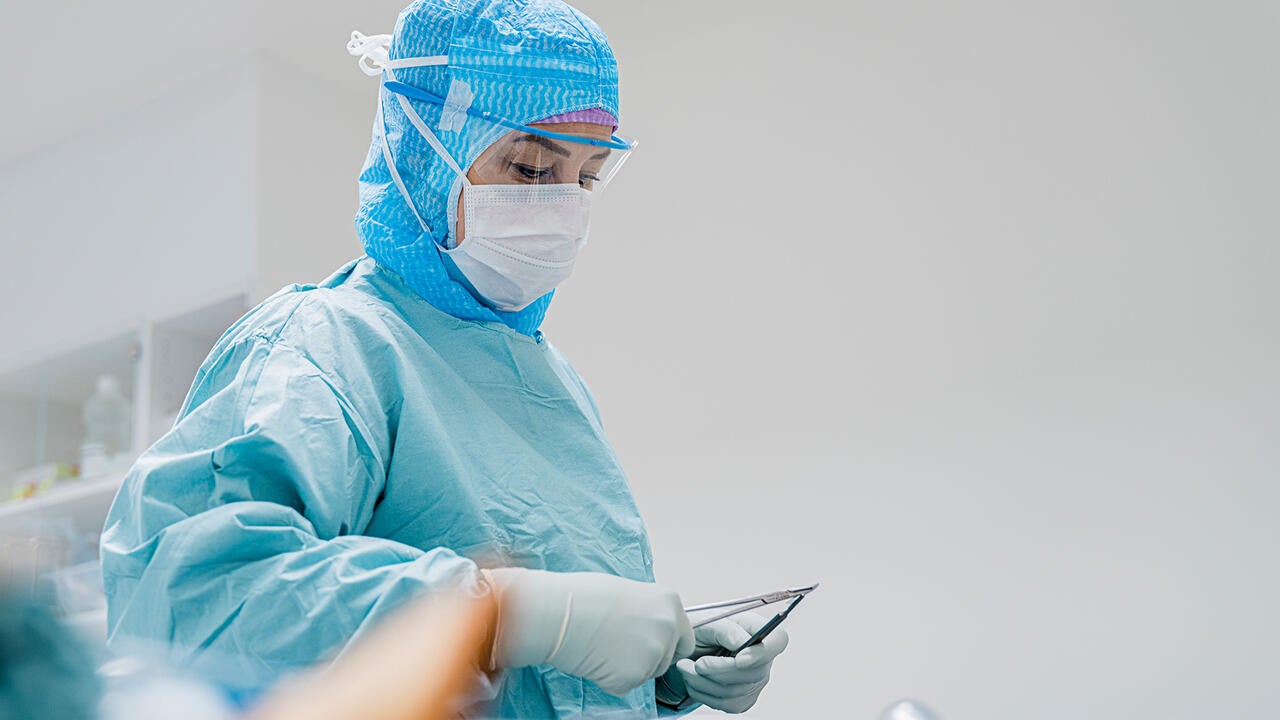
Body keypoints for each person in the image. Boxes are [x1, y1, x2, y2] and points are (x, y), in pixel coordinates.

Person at [100, 1, 788, 717]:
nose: (564, 209)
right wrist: (500, 615)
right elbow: (189, 601)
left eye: (587, 179)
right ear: (425, 151)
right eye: (529, 166)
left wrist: (665, 670)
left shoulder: (552, 384)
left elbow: (548, 673)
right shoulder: (326, 347)